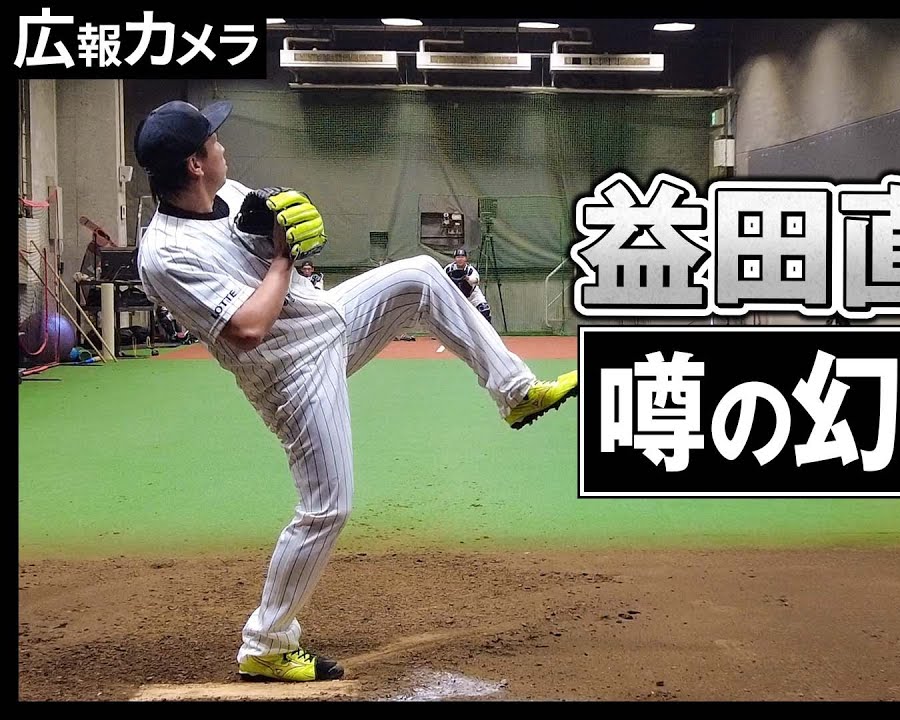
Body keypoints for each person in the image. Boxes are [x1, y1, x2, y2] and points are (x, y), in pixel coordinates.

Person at [131, 99, 578, 683]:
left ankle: (515, 392)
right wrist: (283, 260)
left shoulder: (232, 195)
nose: (222, 146)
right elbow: (247, 328)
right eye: (212, 141)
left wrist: (285, 234)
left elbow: (275, 245)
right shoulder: (166, 254)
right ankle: (266, 644)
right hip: (292, 372)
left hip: (329, 319)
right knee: (328, 508)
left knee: (420, 276)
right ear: (195, 163)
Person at [444, 248, 491, 323]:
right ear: (455, 258)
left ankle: (488, 329)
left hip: (472, 296)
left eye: (462, 257)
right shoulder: (449, 269)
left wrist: (467, 278)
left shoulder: (470, 270)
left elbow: (475, 280)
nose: (460, 259)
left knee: (484, 309)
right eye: (458, 257)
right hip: (456, 297)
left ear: (466, 258)